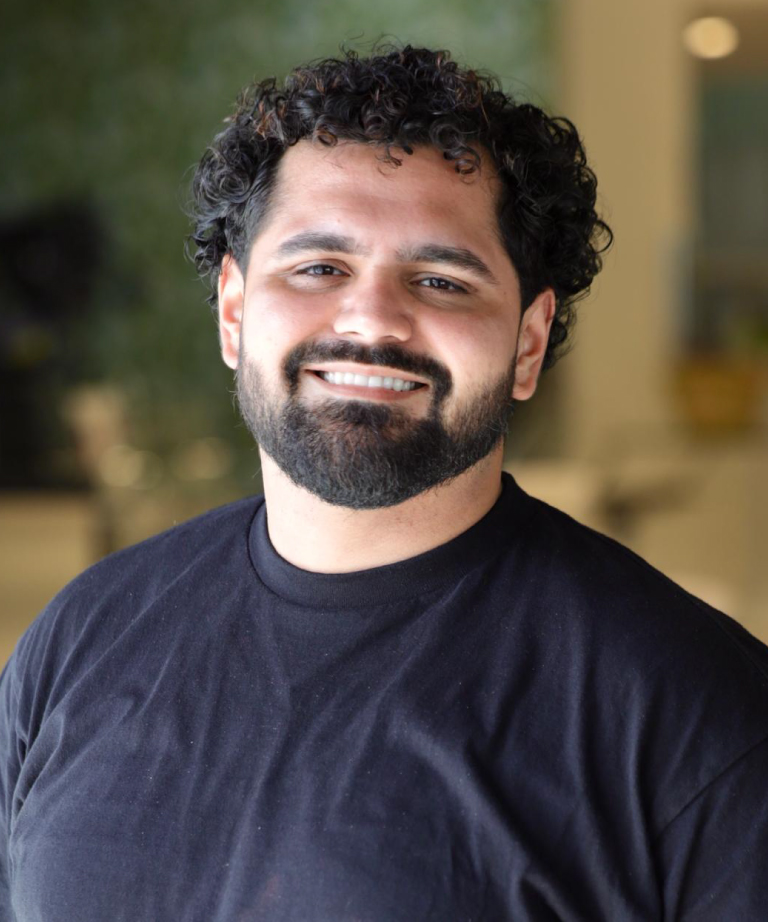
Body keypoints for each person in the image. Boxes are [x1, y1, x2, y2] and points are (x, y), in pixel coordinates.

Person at [1, 44, 767, 921]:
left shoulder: (698, 713)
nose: (370, 319)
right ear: (235, 311)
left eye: (440, 280)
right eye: (318, 268)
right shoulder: (79, 640)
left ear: (527, 342)